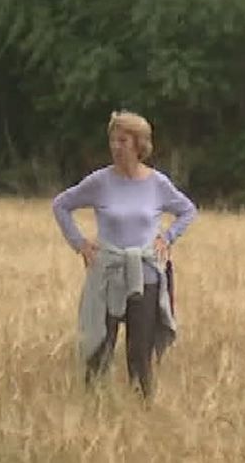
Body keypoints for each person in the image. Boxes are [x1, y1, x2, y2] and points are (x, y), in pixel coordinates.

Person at [51, 111, 197, 397]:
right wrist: (80, 244)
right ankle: (93, 406)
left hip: (146, 275)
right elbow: (61, 205)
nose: (116, 147)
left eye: (123, 141)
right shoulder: (99, 182)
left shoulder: (157, 183)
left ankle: (142, 407)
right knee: (98, 346)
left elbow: (187, 210)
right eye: (113, 140)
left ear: (139, 144)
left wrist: (168, 237)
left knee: (140, 351)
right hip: (108, 273)